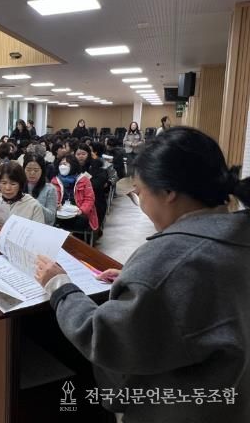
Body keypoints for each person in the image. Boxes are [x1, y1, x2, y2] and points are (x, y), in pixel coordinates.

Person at [34, 127, 250, 422]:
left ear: (169, 192)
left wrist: (59, 285)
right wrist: (136, 282)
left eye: (139, 193)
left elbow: (105, 339)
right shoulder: (237, 235)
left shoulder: (168, 260)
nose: (142, 205)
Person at [0, 162, 45, 235]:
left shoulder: (33, 205)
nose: (8, 188)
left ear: (20, 185)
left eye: (13, 184)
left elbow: (39, 234)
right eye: (4, 183)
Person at [51, 154, 99, 233]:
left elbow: (89, 199)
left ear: (73, 165)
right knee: (52, 220)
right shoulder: (55, 180)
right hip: (60, 212)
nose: (62, 166)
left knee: (80, 221)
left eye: (65, 164)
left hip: (79, 212)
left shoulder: (84, 180)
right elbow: (52, 198)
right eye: (60, 164)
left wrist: (82, 210)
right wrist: (56, 204)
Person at [23, 153, 58, 225]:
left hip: (41, 227)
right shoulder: (18, 186)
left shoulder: (50, 189)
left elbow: (51, 218)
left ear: (42, 171)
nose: (32, 173)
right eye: (28, 170)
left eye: (36, 170)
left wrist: (33, 203)